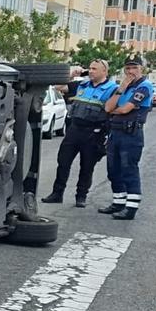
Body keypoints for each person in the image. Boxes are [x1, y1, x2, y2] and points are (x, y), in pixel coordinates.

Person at [42, 60, 117, 208]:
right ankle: (57, 193)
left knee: (87, 166)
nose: (90, 71)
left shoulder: (112, 89)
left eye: (94, 69)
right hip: (75, 129)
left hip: (94, 132)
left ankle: (81, 196)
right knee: (63, 162)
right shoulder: (82, 85)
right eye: (89, 68)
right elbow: (58, 87)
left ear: (104, 71)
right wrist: (71, 75)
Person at [99, 57, 153, 219]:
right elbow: (109, 107)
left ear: (141, 69)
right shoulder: (123, 87)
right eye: (128, 68)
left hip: (131, 134)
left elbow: (124, 109)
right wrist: (122, 88)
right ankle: (118, 202)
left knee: (129, 169)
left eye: (134, 68)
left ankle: (131, 207)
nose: (130, 72)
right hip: (115, 132)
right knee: (113, 169)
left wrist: (116, 110)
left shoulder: (144, 86)